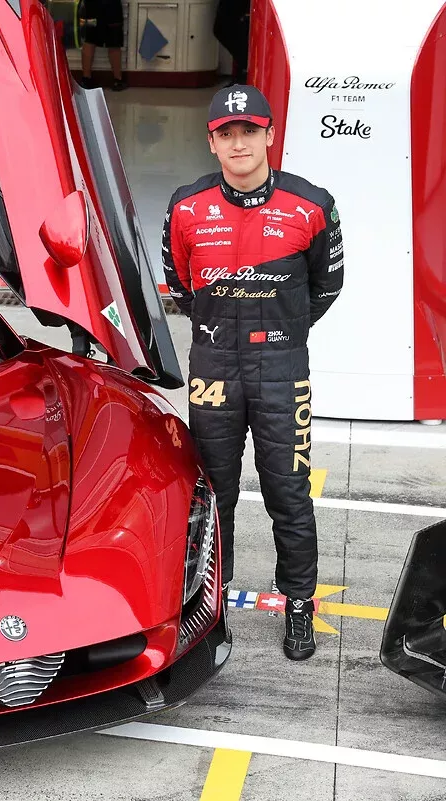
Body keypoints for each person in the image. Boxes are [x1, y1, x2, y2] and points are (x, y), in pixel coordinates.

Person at [161, 85, 343, 661]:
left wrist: (280, 331)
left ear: (269, 136)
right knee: (213, 492)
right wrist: (225, 331)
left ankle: (299, 604)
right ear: (212, 143)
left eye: (249, 131)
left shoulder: (311, 204)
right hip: (214, 365)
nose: (238, 143)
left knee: (288, 490)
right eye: (226, 133)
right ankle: (211, 603)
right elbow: (180, 285)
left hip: (282, 370)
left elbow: (327, 287)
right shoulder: (186, 207)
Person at [79, 0, 126, 91]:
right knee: (114, 41)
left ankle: (86, 79)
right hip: (112, 5)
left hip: (91, 5)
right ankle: (118, 80)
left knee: (89, 39)